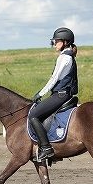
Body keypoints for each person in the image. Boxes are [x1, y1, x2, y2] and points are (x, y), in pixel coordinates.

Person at [29, 27, 78, 161]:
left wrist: (41, 93)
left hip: (60, 94)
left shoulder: (64, 58)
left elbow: (54, 78)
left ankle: (46, 148)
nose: (55, 43)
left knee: (33, 115)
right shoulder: (67, 56)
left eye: (57, 41)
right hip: (62, 93)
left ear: (66, 42)